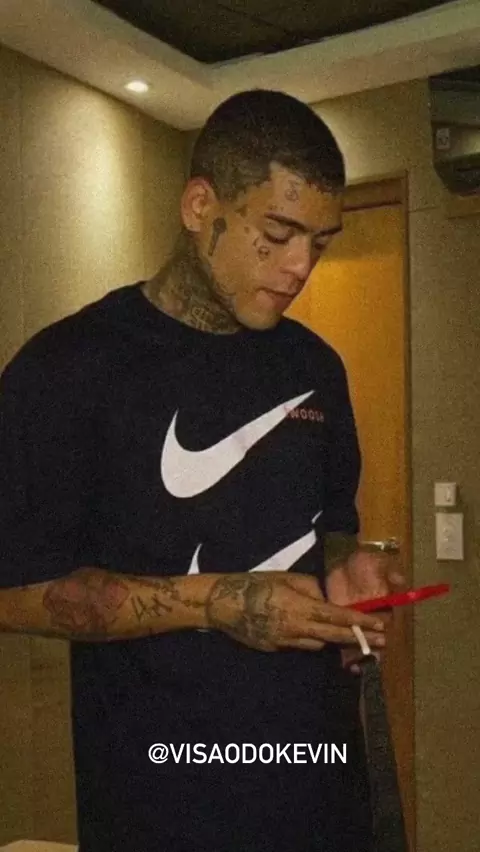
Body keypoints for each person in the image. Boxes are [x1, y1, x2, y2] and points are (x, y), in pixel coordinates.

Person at [0, 89, 402, 852]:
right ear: (199, 206)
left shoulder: (316, 367)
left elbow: (334, 530)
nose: (300, 267)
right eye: (276, 234)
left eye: (320, 242)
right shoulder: (66, 370)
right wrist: (218, 603)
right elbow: (12, 595)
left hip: (322, 788)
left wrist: (353, 571)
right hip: (161, 803)